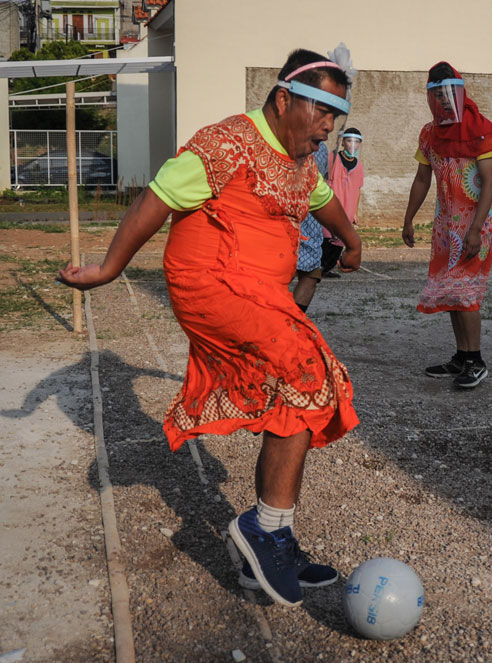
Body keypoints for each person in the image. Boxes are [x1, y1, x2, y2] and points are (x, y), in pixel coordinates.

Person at [57, 46, 362, 607]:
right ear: (284, 97)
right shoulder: (224, 144)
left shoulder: (303, 161)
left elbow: (324, 203)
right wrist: (108, 269)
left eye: (336, 115)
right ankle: (263, 530)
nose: (328, 126)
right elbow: (156, 199)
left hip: (263, 293)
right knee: (303, 367)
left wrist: (354, 238)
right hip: (210, 280)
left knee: (311, 385)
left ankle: (270, 540)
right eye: (321, 109)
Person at [401, 61, 492, 389]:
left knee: (465, 291)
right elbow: (421, 178)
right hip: (446, 224)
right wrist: (408, 218)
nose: (444, 101)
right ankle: (462, 355)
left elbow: (487, 184)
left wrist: (474, 230)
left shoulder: (482, 130)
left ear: (460, 93)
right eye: (437, 94)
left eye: (449, 93)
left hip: (476, 223)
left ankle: (476, 360)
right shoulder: (429, 134)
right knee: (449, 290)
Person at [293, 140, 333, 309]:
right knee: (309, 275)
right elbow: (319, 190)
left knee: (309, 274)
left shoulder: (320, 148)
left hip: (305, 222)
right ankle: (289, 324)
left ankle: (287, 324)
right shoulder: (319, 148)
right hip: (305, 219)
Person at [321, 127, 364, 279]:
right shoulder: (333, 159)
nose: (353, 144)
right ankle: (318, 267)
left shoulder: (358, 166)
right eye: (349, 141)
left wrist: (355, 212)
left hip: (348, 207)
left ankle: (327, 268)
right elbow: (324, 180)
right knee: (326, 236)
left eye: (356, 142)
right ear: (343, 142)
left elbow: (357, 189)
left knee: (340, 240)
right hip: (330, 204)